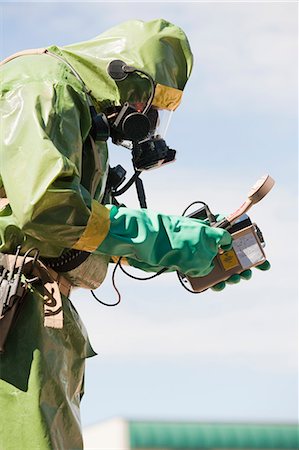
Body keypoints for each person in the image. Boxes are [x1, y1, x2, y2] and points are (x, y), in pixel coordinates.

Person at [0, 19, 268, 449]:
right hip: (14, 314)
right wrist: (160, 237)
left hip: (36, 317)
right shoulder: (42, 83)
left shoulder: (85, 120)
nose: (145, 121)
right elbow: (47, 208)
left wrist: (185, 249)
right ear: (123, 74)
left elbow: (89, 231)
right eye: (148, 104)